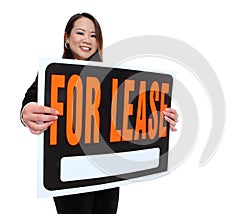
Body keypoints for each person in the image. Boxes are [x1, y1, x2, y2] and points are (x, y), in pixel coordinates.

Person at [20, 12, 179, 214]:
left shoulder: (112, 78)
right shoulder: (53, 72)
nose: (87, 40)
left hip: (107, 169)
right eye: (80, 32)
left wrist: (162, 117)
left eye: (93, 35)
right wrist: (26, 113)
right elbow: (31, 99)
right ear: (66, 38)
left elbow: (135, 111)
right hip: (71, 172)